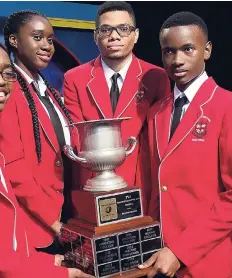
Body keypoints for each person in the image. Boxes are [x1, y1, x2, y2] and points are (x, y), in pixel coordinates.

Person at [0, 37, 91, 278]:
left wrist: (47, 260)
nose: (0, 80)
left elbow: (4, 232)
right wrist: (58, 274)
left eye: (7, 73)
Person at [139, 12, 232, 278]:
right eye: (169, 51)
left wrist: (180, 251)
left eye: (187, 49)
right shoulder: (157, 112)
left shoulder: (226, 106)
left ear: (207, 50)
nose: (177, 60)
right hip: (158, 258)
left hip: (206, 260)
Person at [63, 1, 170, 213]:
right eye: (106, 29)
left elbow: (159, 139)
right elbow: (75, 132)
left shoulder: (156, 76)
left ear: (136, 34)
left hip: (140, 185)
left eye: (123, 29)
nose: (114, 36)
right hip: (92, 184)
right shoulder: (74, 78)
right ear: (95, 36)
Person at [0, 10, 76, 255]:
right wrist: (54, 223)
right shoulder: (7, 89)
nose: (47, 46)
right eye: (37, 37)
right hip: (37, 225)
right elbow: (14, 167)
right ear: (14, 40)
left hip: (65, 212)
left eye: (50, 40)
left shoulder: (45, 88)